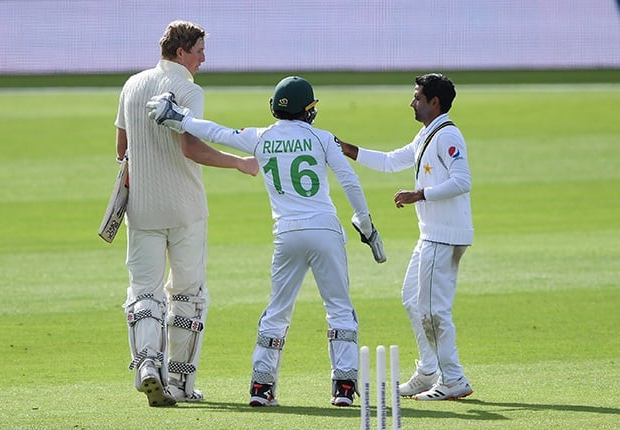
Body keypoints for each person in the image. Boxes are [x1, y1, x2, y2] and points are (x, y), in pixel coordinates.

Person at [145, 76, 386, 407]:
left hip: (286, 234)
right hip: (325, 230)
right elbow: (350, 182)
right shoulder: (323, 138)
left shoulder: (261, 138)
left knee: (277, 312)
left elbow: (217, 132)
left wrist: (179, 117)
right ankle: (343, 388)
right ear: (308, 111)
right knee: (339, 309)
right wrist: (365, 223)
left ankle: (261, 387)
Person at [113, 20, 259, 407]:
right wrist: (238, 163)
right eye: (198, 51)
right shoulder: (188, 89)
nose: (203, 58)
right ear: (180, 52)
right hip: (185, 207)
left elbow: (121, 148)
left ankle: (147, 364)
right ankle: (179, 383)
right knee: (188, 294)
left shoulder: (132, 85)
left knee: (144, 289)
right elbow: (191, 148)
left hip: (142, 207)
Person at [336, 73, 474, 400]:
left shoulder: (447, 135)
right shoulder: (426, 134)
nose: (412, 102)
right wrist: (345, 149)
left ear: (434, 102)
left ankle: (453, 378)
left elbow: (462, 180)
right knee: (412, 299)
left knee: (432, 310)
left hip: (445, 235)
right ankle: (429, 371)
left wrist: (420, 194)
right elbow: (387, 162)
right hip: (431, 235)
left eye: (417, 97)